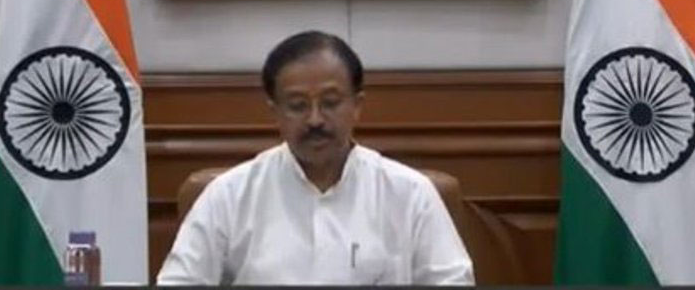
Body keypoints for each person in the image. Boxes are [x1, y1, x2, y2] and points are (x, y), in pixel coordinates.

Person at [157, 30, 474, 285]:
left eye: (331, 103)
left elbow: (451, 281)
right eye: (297, 106)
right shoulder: (228, 196)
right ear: (275, 112)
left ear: (357, 106)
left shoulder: (411, 194)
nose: (315, 120)